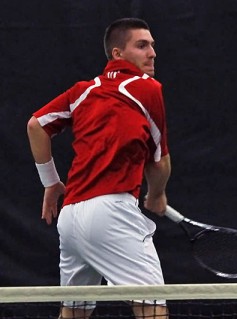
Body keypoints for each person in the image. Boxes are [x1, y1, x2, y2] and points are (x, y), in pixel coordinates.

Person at [27, 18, 170, 319]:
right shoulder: (147, 88)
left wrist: (51, 183)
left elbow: (36, 125)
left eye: (153, 45)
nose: (152, 53)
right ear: (118, 54)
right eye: (142, 45)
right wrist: (156, 195)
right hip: (112, 213)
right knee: (153, 309)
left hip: (71, 217)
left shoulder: (83, 91)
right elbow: (159, 163)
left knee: (74, 312)